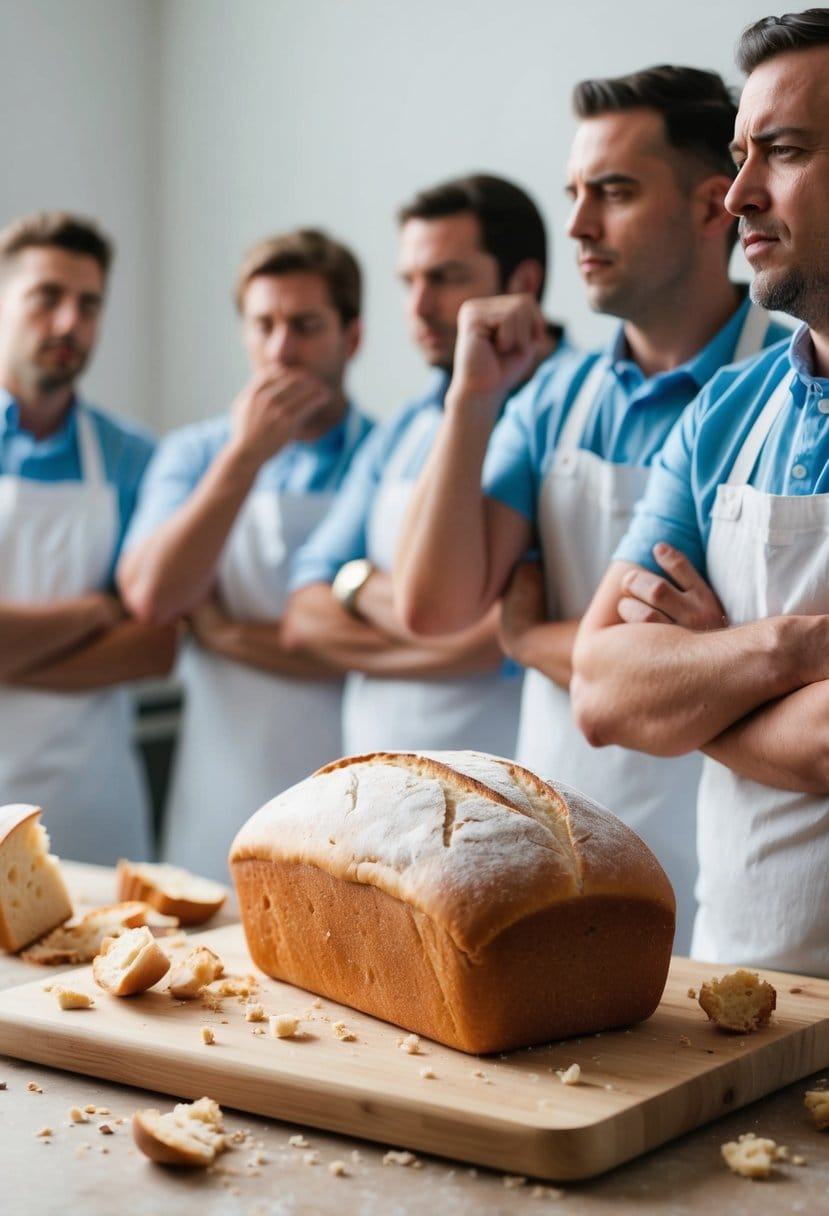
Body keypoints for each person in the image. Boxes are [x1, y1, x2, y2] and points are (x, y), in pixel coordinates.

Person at [394, 70, 790, 953]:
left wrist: (535, 639)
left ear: (709, 208)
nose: (576, 225)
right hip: (558, 843)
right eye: (574, 193)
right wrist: (470, 399)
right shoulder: (552, 397)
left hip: (731, 863)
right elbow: (435, 607)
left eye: (610, 193)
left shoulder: (779, 386)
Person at [570, 10, 829, 977]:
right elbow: (600, 689)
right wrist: (794, 646)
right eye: (736, 155)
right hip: (734, 989)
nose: (738, 193)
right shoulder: (726, 409)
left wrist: (695, 679)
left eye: (785, 151)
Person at [118, 229, 373, 880]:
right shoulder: (198, 453)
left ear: (352, 337)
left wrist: (221, 630)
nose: (281, 350)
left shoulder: (385, 454)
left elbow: (379, 641)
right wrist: (243, 458)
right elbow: (151, 596)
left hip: (349, 785)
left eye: (305, 325)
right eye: (264, 325)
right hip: (218, 782)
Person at [283, 175, 564, 757]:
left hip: (504, 786)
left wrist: (357, 588)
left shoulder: (567, 409)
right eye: (409, 281)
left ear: (523, 282)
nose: (418, 306)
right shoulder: (401, 431)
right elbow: (305, 610)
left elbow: (503, 632)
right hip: (372, 788)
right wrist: (441, 640)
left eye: (445, 277)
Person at [0, 211, 175, 864]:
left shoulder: (134, 456)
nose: (70, 322)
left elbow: (156, 647)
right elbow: (123, 630)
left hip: (92, 807)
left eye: (89, 304)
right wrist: (95, 612)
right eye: (47, 297)